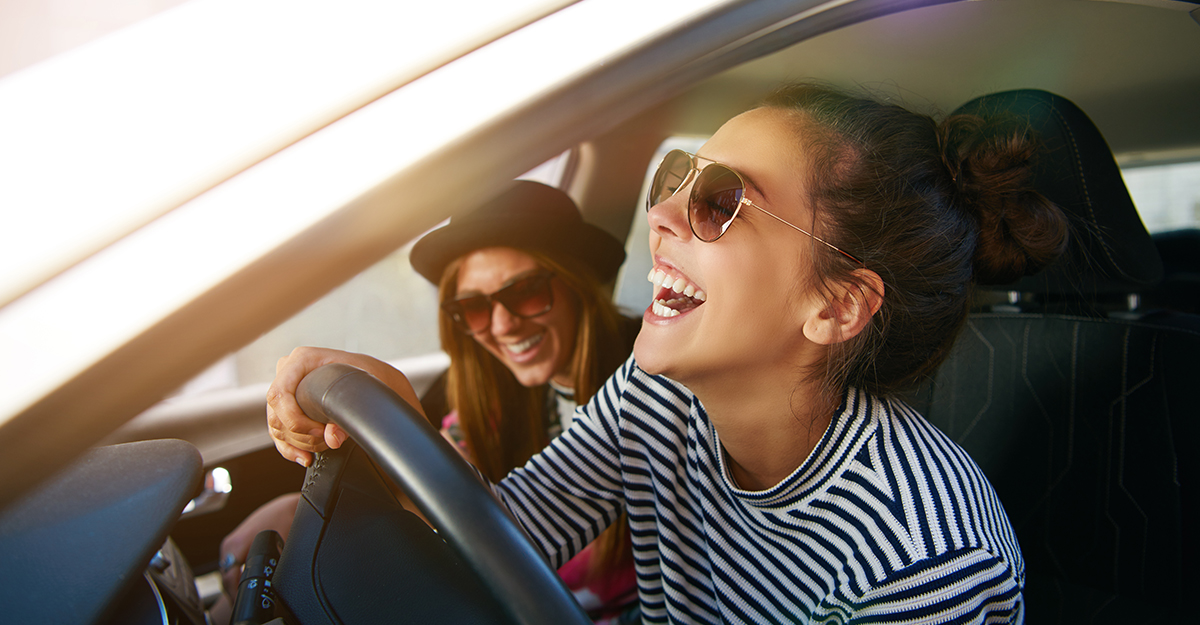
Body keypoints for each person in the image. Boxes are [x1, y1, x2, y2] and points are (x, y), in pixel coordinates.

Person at [268, 83, 1068, 622]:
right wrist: (393, 417)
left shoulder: (923, 557)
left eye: (721, 201)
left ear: (835, 304)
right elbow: (501, 537)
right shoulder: (661, 402)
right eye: (675, 177)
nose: (663, 216)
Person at [215, 181, 641, 624]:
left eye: (526, 292)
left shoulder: (648, 386)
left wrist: (388, 392)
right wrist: (296, 511)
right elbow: (457, 504)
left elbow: (514, 529)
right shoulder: (490, 390)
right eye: (474, 307)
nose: (502, 325)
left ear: (576, 284)